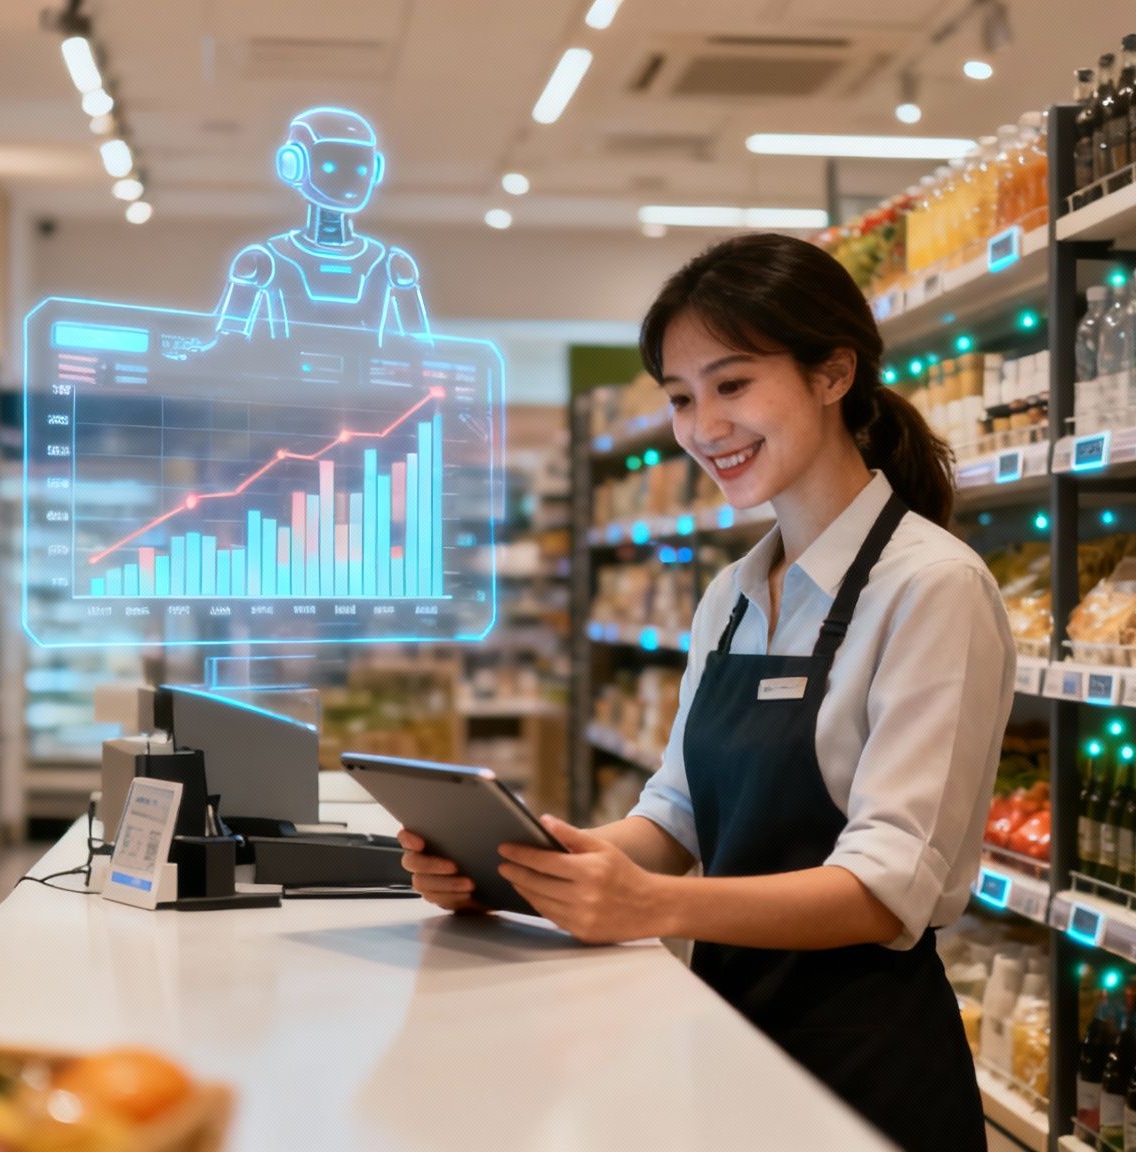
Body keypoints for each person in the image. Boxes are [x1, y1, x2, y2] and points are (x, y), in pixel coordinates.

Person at [398, 233, 1014, 1152]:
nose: (702, 426)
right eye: (681, 398)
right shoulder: (731, 596)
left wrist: (652, 907)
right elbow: (677, 816)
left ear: (833, 372)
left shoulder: (933, 587)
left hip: (862, 1060)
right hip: (724, 1030)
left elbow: (885, 891)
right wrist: (524, 870)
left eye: (732, 385)